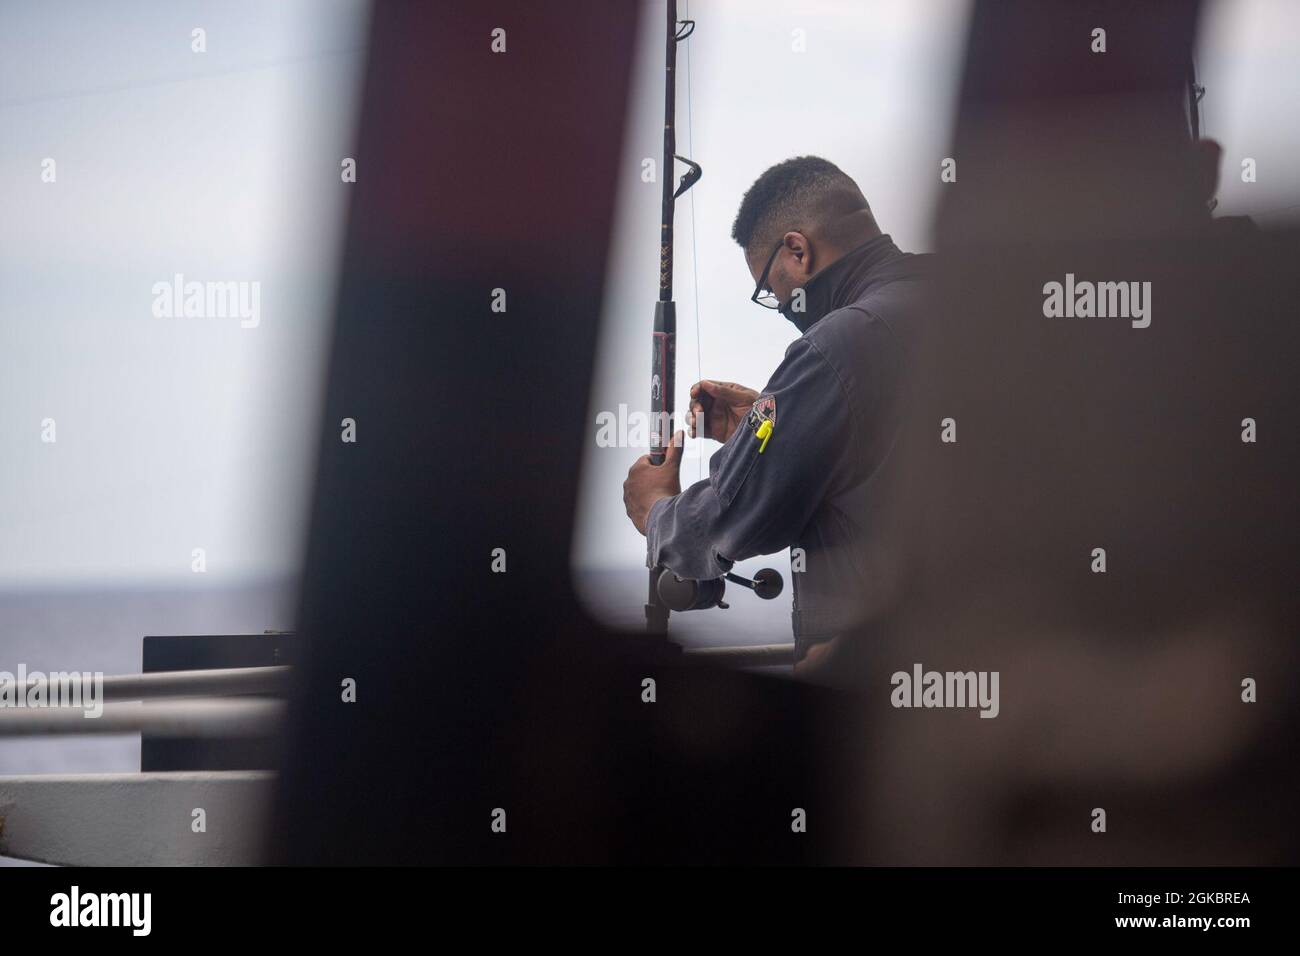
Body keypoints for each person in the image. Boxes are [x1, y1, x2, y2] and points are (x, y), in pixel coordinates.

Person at [622, 156, 932, 669]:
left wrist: (656, 511)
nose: (781, 304)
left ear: (797, 250)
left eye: (770, 289)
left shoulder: (838, 345)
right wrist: (766, 428)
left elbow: (733, 519)